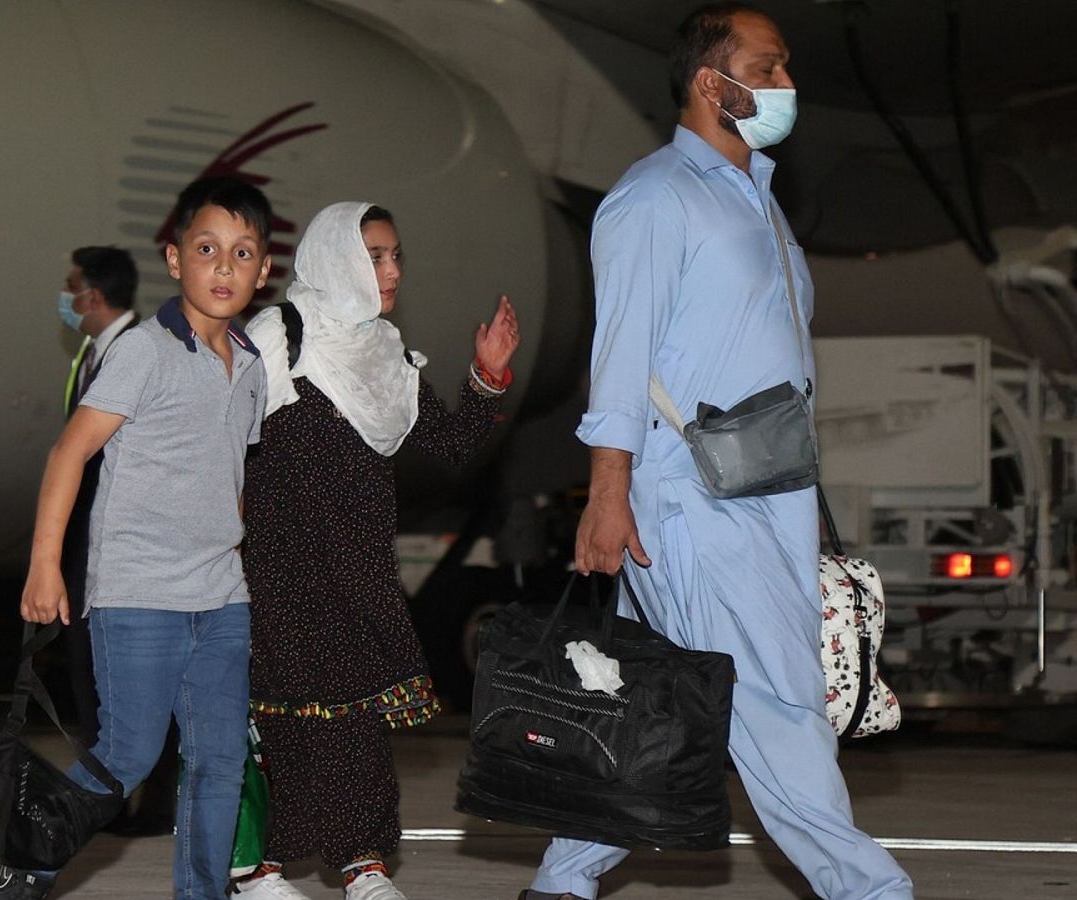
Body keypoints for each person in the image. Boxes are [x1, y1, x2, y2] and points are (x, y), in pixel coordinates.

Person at [523, 6, 914, 900]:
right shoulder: (655, 197)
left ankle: (562, 882)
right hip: (690, 498)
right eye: (767, 68)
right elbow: (618, 355)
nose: (785, 87)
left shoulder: (754, 200)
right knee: (779, 702)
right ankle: (870, 890)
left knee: (659, 704)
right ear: (713, 82)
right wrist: (607, 491)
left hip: (762, 491)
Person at [0, 176, 271, 900]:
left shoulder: (252, 368)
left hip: (221, 599)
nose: (223, 267)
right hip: (139, 592)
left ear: (263, 271)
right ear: (175, 260)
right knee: (127, 754)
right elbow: (69, 453)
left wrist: (239, 555)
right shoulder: (144, 352)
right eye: (206, 248)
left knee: (218, 763)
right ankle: (27, 859)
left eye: (242, 253)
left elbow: (231, 473)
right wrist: (46, 566)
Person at [232, 203, 518, 900]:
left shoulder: (385, 352)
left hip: (358, 573)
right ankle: (259, 870)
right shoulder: (278, 336)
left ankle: (363, 865)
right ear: (336, 259)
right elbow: (221, 443)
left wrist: (486, 378)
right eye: (376, 256)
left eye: (395, 257)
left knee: (355, 726)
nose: (390, 271)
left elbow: (449, 448)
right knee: (283, 721)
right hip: (278, 572)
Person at [57, 245, 178, 836]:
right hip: (94, 534)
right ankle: (113, 793)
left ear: (95, 296)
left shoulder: (139, 350)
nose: (66, 298)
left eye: (71, 287)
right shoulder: (91, 353)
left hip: (133, 538)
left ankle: (154, 800)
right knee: (90, 667)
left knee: (144, 668)